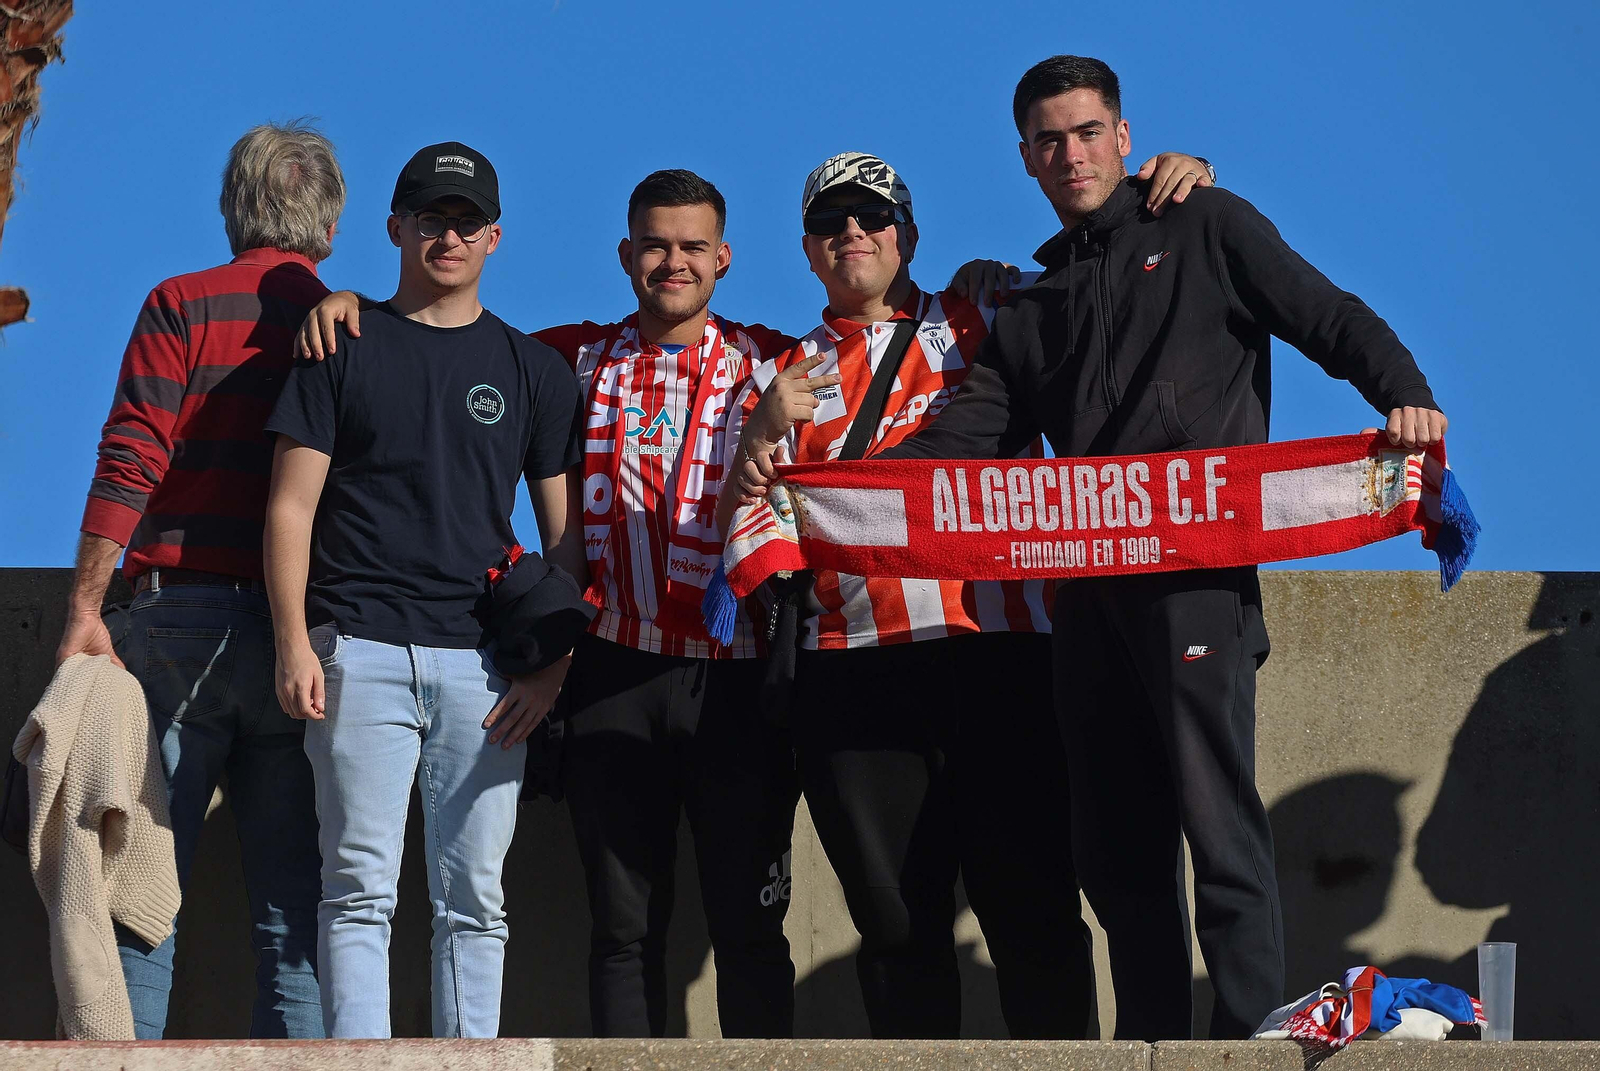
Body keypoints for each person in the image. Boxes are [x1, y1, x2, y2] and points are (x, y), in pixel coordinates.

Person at [831, 56, 1448, 1040]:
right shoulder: (1028, 305)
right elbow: (965, 442)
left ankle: (1249, 1036)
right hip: (1084, 602)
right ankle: (1153, 1043)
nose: (1069, 154)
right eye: (1047, 140)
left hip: (1196, 583)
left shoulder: (1206, 223)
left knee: (1217, 823)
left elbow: (1325, 315)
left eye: (1086, 133)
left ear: (1122, 137)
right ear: (1025, 159)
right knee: (1116, 853)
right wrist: (836, 492)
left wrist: (1402, 394)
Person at [720, 147, 1214, 1040]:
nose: (853, 234)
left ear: (907, 235)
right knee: (898, 927)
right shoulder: (774, 378)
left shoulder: (985, 307)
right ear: (806, 249)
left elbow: (1111, 268)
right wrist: (760, 432)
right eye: (831, 223)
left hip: (1004, 652)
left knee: (1034, 913)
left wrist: (1174, 187)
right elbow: (743, 534)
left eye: (871, 218)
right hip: (855, 670)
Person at [263, 141, 585, 1038]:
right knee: (357, 888)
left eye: (467, 220)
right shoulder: (338, 344)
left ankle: (467, 1062)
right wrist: (295, 640)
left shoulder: (534, 371)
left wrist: (551, 665)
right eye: (432, 216)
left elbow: (568, 541)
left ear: (495, 238)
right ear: (397, 226)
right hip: (355, 650)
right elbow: (291, 506)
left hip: (484, 667)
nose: (450, 234)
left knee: (475, 898)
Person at [55, 120, 344, 1040]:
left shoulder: (181, 302)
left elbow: (131, 457)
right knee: (293, 912)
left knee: (141, 892)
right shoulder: (349, 322)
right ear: (327, 224)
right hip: (304, 637)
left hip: (174, 619)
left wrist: (83, 608)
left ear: (233, 211)